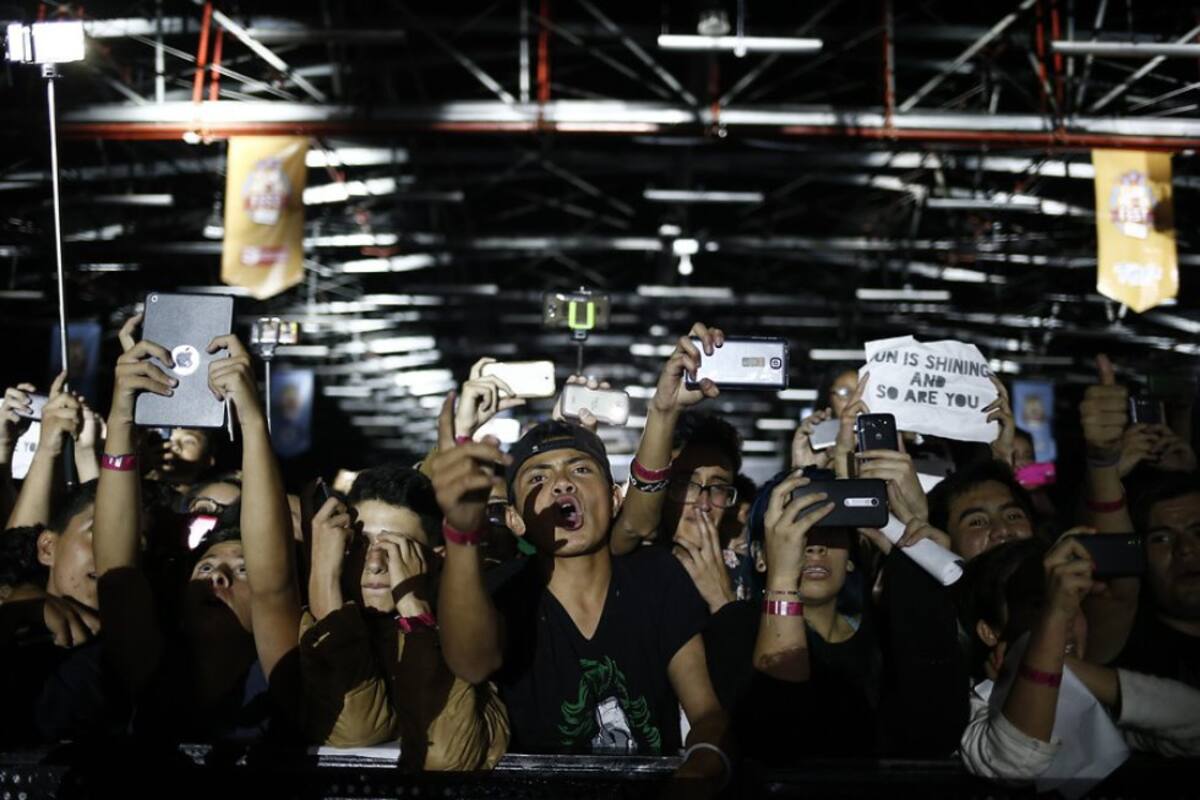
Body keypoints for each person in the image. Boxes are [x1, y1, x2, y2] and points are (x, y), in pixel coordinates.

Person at [431, 328, 730, 786]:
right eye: (538, 478)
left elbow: (706, 712)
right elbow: (471, 662)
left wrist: (700, 768)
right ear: (514, 519)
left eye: (581, 469)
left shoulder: (657, 579)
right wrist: (461, 530)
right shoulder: (501, 591)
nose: (562, 483)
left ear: (614, 498)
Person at [93, 328, 300, 742]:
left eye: (243, 570)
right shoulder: (151, 671)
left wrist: (251, 420)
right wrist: (121, 419)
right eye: (204, 567)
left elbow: (273, 587)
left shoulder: (282, 676)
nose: (217, 577)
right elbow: (117, 578)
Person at [704, 471, 967, 761]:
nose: (816, 546)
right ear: (761, 556)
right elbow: (776, 736)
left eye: (831, 529)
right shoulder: (737, 627)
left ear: (851, 556)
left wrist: (920, 569)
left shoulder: (886, 630)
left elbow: (938, 730)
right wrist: (783, 581)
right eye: (798, 529)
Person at [299, 464, 509, 768]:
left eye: (395, 547)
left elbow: (446, 757)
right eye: (361, 544)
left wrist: (415, 611)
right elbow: (354, 731)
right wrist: (324, 578)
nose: (374, 563)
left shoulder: (475, 630)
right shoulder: (313, 626)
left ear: (437, 559)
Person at [957, 537, 1200, 788]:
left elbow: (1194, 726)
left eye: (1074, 601)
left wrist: (1058, 665)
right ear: (989, 631)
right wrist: (1054, 621)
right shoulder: (968, 708)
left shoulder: (1098, 707)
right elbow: (1016, 763)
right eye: (1041, 605)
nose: (1067, 618)